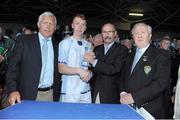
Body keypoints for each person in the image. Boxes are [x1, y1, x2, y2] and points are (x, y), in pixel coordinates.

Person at [6, 11, 61, 105]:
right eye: (45, 23)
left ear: (55, 28)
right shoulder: (24, 41)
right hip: (27, 95)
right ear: (38, 24)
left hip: (51, 95)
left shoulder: (58, 45)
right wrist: (12, 90)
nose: (48, 26)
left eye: (51, 24)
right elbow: (12, 68)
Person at [120, 22, 171, 118]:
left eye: (143, 32)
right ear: (133, 37)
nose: (139, 35)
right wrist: (123, 93)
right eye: (136, 33)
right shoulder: (128, 56)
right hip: (127, 107)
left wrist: (134, 97)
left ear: (150, 36)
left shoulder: (161, 55)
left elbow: (160, 83)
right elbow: (122, 77)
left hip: (149, 110)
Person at [84, 23, 128, 104]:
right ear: (101, 34)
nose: (107, 34)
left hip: (112, 95)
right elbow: (93, 70)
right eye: (104, 32)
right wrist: (88, 74)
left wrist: (93, 61)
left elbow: (114, 69)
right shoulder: (97, 49)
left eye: (110, 32)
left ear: (115, 33)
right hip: (95, 91)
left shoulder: (122, 50)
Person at [58, 14, 92, 103]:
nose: (80, 27)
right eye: (77, 24)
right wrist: (79, 70)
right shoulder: (64, 44)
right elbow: (61, 68)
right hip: (70, 91)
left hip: (86, 91)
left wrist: (90, 75)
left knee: (86, 117)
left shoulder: (88, 45)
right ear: (72, 26)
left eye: (83, 24)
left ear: (85, 27)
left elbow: (89, 67)